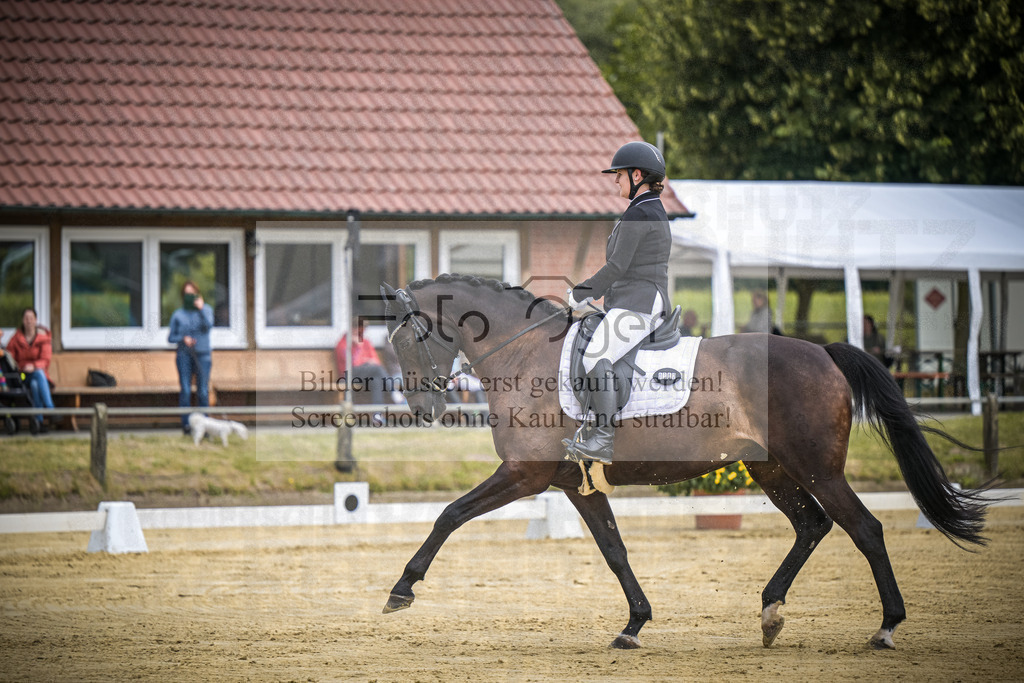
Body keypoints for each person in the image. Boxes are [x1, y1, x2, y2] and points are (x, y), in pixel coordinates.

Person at [562, 140, 671, 465]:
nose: (615, 181)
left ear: (637, 175)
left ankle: (604, 439)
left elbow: (617, 267)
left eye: (620, 175)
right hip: (633, 300)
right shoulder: (643, 210)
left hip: (640, 302)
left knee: (596, 355)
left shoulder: (642, 213)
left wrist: (582, 292)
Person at [168, 281, 213, 434]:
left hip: (203, 355)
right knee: (186, 390)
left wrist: (200, 309)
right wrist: (183, 338)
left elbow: (209, 326)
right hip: (184, 355)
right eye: (187, 293)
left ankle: (205, 425)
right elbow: (170, 338)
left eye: (192, 293)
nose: (190, 296)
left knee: (202, 391)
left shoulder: (206, 310)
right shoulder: (178, 314)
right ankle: (186, 425)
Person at [5, 308, 56, 433]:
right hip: (22, 377)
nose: (29, 321)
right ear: (23, 320)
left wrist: (33, 366)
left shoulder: (43, 338)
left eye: (31, 318)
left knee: (36, 381)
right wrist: (23, 367)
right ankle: (51, 410)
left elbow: (45, 360)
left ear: (36, 320)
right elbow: (10, 359)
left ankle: (39, 422)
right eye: (26, 318)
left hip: (41, 377)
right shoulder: (15, 339)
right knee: (35, 377)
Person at [336, 318, 389, 405]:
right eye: (359, 330)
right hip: (348, 375)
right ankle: (395, 393)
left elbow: (376, 362)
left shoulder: (366, 342)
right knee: (377, 370)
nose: (362, 333)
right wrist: (359, 348)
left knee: (376, 380)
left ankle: (377, 415)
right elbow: (353, 364)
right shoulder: (342, 344)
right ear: (352, 328)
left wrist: (367, 361)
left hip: (364, 375)